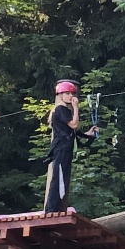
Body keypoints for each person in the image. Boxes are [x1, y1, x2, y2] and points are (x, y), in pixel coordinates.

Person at [43, 81, 87, 213]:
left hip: (64, 148)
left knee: (62, 178)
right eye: (67, 93)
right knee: (59, 178)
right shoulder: (61, 109)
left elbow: (71, 131)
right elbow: (74, 124)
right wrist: (76, 107)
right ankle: (52, 209)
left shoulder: (63, 110)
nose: (71, 96)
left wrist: (88, 134)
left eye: (72, 93)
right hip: (62, 148)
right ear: (60, 95)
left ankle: (54, 208)